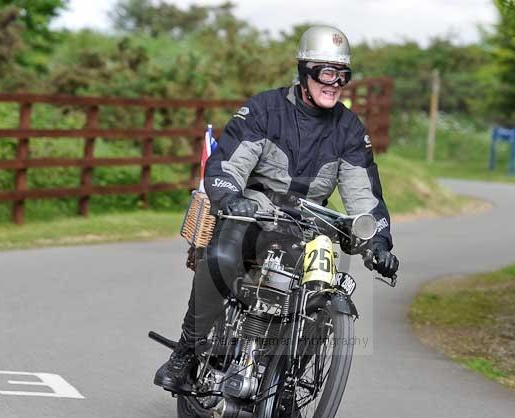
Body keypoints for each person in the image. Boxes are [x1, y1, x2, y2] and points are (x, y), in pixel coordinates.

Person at [154, 25, 399, 393]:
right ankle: (188, 351)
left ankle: (285, 383)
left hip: (312, 225)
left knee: (325, 292)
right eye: (326, 72)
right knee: (220, 255)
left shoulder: (349, 129)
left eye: (342, 75)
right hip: (255, 213)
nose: (334, 82)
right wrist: (229, 197)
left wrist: (378, 243)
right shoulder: (264, 109)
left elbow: (364, 194)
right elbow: (228, 165)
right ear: (305, 71)